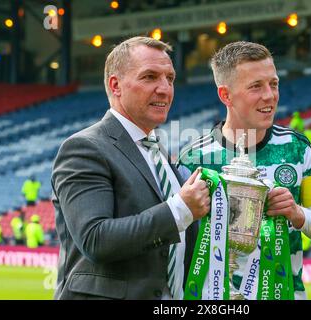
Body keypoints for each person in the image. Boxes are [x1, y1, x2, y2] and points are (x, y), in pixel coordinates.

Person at [177, 41, 311, 300]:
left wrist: (297, 214)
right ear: (225, 95)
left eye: (273, 84)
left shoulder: (297, 148)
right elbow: (179, 241)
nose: (269, 95)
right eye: (256, 86)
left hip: (283, 293)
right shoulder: (193, 159)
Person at [51, 36, 210, 300]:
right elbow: (96, 239)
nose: (164, 88)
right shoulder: (84, 148)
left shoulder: (159, 154)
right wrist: (181, 209)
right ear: (116, 85)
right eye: (149, 77)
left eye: (169, 79)